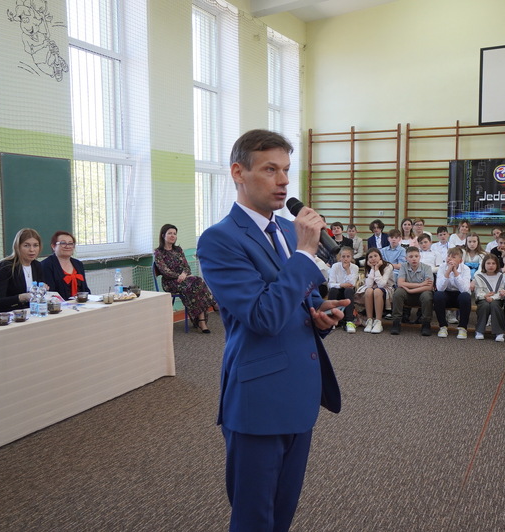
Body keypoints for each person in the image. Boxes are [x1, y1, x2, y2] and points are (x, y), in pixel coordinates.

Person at [196, 130, 344, 532]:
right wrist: (305, 253)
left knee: (282, 513)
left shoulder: (287, 230)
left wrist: (319, 315)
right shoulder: (219, 240)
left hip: (300, 392)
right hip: (259, 399)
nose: (283, 181)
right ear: (238, 172)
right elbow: (262, 316)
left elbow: (299, 300)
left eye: (286, 170)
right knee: (254, 518)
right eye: (270, 170)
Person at [154, 224, 214, 333]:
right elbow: (164, 271)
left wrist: (184, 274)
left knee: (196, 284)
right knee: (196, 282)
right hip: (170, 282)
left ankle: (201, 321)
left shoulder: (178, 250)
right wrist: (179, 276)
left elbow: (186, 267)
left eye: (174, 234)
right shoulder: (159, 252)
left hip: (184, 280)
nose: (173, 236)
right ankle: (211, 305)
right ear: (163, 235)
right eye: (170, 233)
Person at [0, 228, 46, 313]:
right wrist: (21, 297)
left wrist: (43, 289)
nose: (32, 250)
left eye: (35, 245)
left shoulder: (37, 265)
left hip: (31, 312)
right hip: (8, 314)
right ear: (18, 247)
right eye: (26, 245)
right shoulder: (5, 266)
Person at [390, 246, 434, 336]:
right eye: (410, 257)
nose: (414, 259)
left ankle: (426, 324)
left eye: (416, 256)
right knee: (398, 293)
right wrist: (421, 284)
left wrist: (411, 290)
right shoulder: (403, 266)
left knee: (427, 295)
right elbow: (400, 283)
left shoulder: (427, 268)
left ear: (419, 257)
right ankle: (396, 322)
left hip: (421, 294)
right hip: (407, 294)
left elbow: (429, 287)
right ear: (406, 258)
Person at [434, 247, 472, 339]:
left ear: (460, 260)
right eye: (448, 256)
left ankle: (463, 328)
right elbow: (440, 288)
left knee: (465, 296)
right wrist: (448, 271)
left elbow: (464, 289)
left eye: (453, 257)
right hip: (446, 294)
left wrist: (455, 272)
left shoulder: (466, 269)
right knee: (438, 295)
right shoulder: (442, 267)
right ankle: (443, 326)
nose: (449, 259)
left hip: (459, 295)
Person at [40, 230, 90, 300]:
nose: (67, 246)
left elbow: (85, 289)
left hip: (81, 303)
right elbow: (50, 293)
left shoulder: (78, 264)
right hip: (59, 305)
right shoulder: (46, 265)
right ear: (53, 246)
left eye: (70, 244)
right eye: (63, 243)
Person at [474, 254, 505, 341]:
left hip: (497, 299)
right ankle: (479, 331)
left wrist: (493, 297)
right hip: (483, 299)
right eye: (488, 263)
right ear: (484, 264)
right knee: (484, 306)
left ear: (497, 265)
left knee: (494, 305)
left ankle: (499, 332)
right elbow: (478, 291)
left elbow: (502, 290)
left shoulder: (501, 275)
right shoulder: (478, 275)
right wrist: (485, 296)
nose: (491, 266)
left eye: (493, 263)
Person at [362, 247, 394, 334]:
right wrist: (372, 269)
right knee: (368, 290)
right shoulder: (369, 267)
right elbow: (369, 285)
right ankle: (369, 320)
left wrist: (376, 268)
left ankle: (378, 321)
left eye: (375, 256)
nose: (373, 259)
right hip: (372, 288)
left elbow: (381, 285)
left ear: (380, 257)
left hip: (387, 289)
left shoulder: (388, 266)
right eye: (370, 257)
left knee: (377, 291)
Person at [327, 246, 359, 333]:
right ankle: (331, 319)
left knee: (349, 290)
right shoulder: (335, 266)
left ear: (351, 257)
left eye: (348, 256)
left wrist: (347, 270)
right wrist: (341, 285)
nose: (345, 259)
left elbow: (352, 284)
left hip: (348, 293)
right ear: (340, 257)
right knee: (333, 290)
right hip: (337, 291)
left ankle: (349, 321)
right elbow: (331, 284)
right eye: (343, 256)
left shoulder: (355, 267)